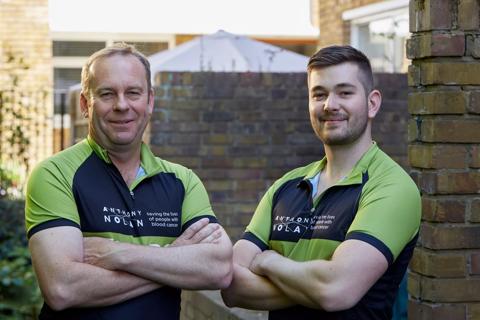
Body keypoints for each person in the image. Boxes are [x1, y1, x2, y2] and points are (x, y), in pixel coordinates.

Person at [25, 43, 232, 320]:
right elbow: (63, 288)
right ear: (86, 104)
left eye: (133, 93)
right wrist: (175, 258)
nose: (122, 105)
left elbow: (219, 269)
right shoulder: (55, 174)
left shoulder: (183, 181)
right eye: (107, 94)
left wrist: (117, 254)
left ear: (150, 101)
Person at [221, 45, 421, 319]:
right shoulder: (286, 186)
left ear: (372, 103)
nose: (330, 105)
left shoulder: (392, 187)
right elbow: (231, 286)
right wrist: (317, 282)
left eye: (345, 92)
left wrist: (268, 261)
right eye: (319, 94)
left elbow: (336, 290)